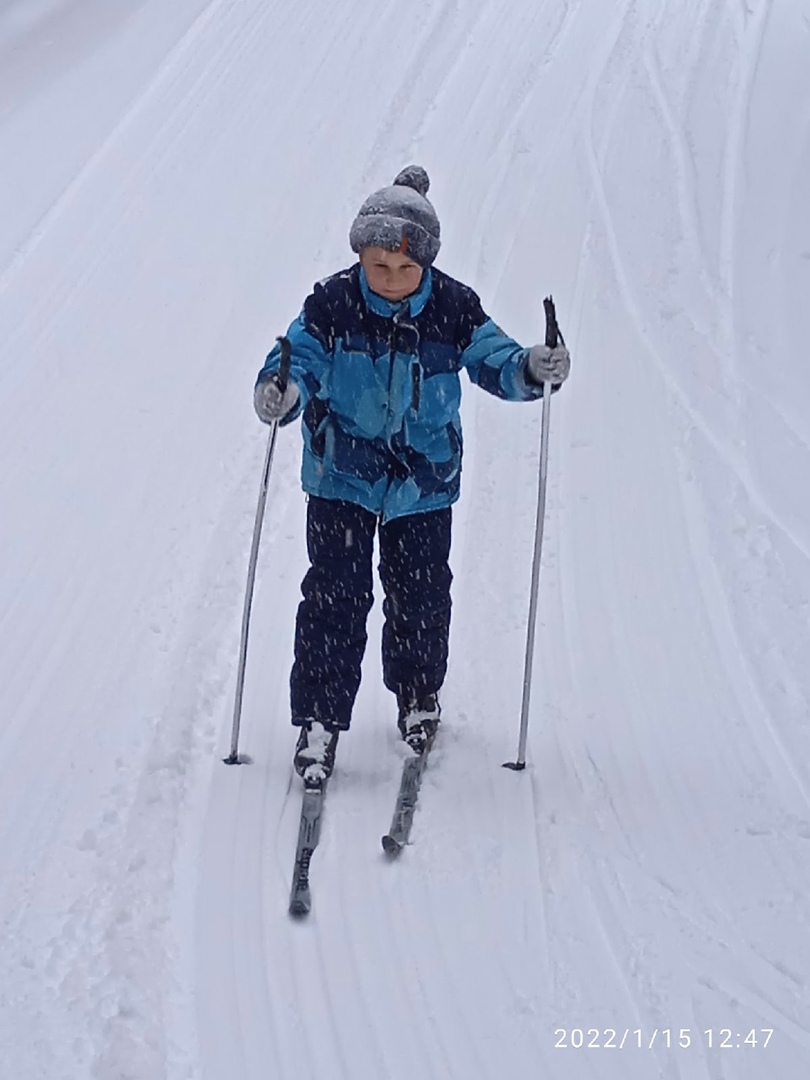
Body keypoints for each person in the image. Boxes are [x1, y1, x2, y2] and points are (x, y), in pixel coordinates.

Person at [254, 165, 570, 787]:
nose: (391, 280)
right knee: (334, 597)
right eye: (378, 265)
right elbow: (298, 355)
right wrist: (280, 390)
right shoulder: (333, 303)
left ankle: (418, 696)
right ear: (361, 257)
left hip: (422, 482)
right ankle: (319, 719)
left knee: (421, 597)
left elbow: (495, 360)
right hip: (341, 473)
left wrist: (533, 368)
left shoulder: (452, 307)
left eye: (404, 268)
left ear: (424, 263)